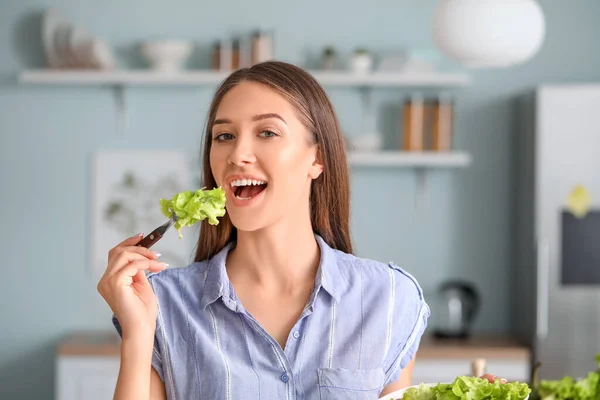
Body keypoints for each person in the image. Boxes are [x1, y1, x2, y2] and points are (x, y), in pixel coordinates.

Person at [97, 61, 503, 399]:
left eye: (267, 132)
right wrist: (137, 334)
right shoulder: (163, 303)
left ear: (317, 159)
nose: (238, 153)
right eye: (224, 136)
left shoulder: (389, 297)